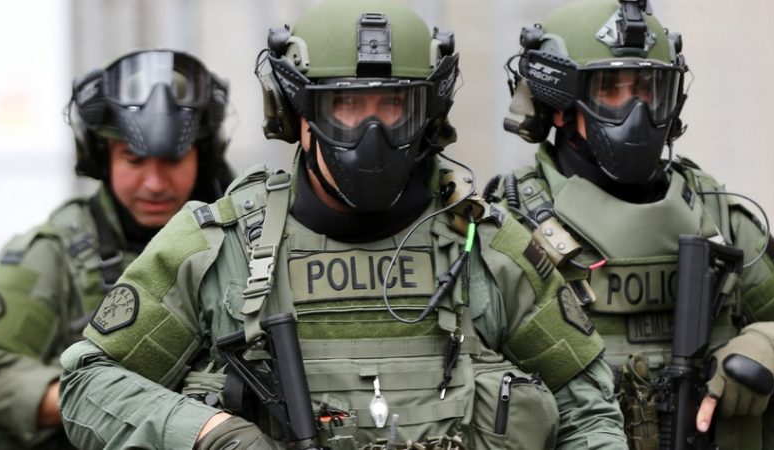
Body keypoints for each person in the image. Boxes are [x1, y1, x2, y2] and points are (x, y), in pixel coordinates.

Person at [58, 1, 628, 449]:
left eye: (393, 105)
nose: (370, 134)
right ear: (297, 114)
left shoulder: (487, 245)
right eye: (345, 107)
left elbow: (587, 411)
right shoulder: (221, 246)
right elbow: (87, 381)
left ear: (426, 113)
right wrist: (211, 435)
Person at [493, 0, 774, 449]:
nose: (637, 112)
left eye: (649, 90)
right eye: (611, 91)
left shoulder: (716, 216)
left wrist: (771, 349)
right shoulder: (509, 224)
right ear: (559, 107)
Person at [0, 49, 233, 450]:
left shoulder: (239, 239)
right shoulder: (55, 252)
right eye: (134, 160)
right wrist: (107, 401)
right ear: (101, 159)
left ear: (202, 157)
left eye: (173, 160)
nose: (155, 183)